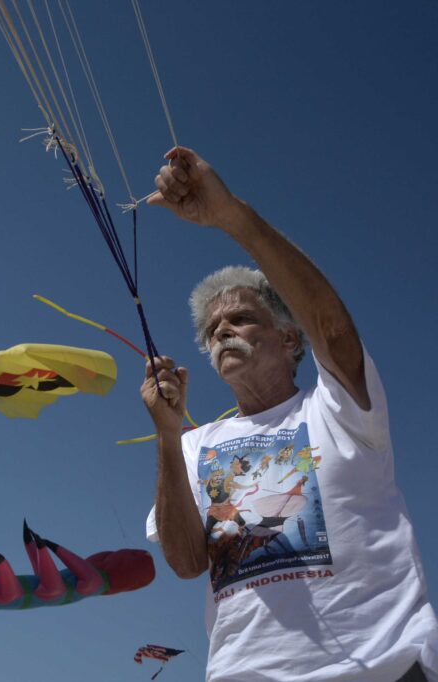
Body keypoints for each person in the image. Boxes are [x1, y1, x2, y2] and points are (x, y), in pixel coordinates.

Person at [142, 146, 437, 681]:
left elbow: (334, 327)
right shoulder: (193, 443)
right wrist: (166, 437)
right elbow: (187, 563)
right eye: (212, 330)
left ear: (288, 337)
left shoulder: (338, 406)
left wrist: (232, 217)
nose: (221, 332)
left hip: (382, 669)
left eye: (239, 319)